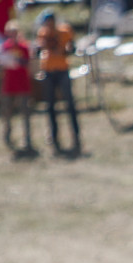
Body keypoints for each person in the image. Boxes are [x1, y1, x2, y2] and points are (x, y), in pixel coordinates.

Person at [36, 10, 81, 155]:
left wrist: (67, 49)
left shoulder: (64, 31)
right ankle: (54, 136)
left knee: (70, 104)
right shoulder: (42, 33)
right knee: (50, 107)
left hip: (62, 70)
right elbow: (39, 50)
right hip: (48, 71)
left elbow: (72, 47)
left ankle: (76, 135)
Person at [0, 20, 33, 152]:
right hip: (9, 84)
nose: (12, 36)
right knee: (7, 111)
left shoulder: (24, 47)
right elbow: (1, 62)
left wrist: (16, 60)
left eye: (14, 33)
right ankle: (7, 134)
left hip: (22, 84)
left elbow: (27, 62)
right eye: (10, 33)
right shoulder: (5, 47)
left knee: (25, 112)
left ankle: (27, 138)